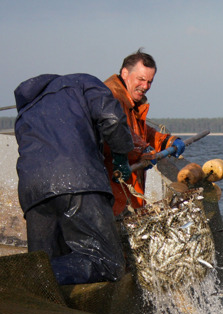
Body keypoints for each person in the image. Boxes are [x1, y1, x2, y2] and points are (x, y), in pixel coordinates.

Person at [14, 73, 135, 285]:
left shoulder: (27, 108)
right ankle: (24, 279)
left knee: (44, 263)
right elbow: (113, 120)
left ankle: (33, 281)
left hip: (33, 195)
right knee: (107, 263)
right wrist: (121, 155)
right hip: (79, 182)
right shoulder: (82, 82)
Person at [103, 49, 185, 215]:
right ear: (125, 73)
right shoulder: (109, 97)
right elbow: (115, 133)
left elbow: (139, 132)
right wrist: (142, 150)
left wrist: (166, 141)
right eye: (141, 79)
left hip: (127, 192)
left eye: (149, 82)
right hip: (110, 195)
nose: (145, 86)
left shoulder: (131, 101)